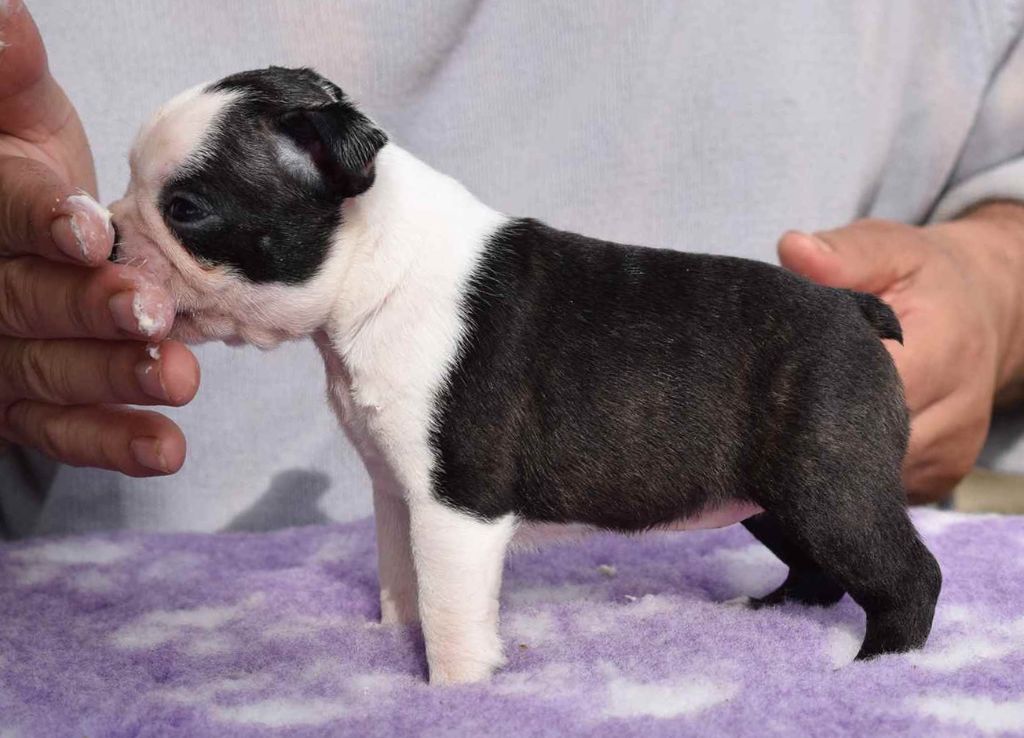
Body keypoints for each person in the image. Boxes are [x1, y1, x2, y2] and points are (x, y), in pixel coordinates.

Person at [1, 0, 1022, 537]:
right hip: (95, 565)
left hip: (757, 470)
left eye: (182, 211)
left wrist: (990, 287)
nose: (127, 229)